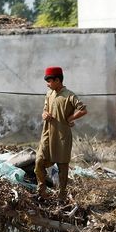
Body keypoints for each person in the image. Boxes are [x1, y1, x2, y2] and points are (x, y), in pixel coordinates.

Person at [34, 66, 87, 201]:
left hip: (62, 136)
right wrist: (44, 114)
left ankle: (62, 195)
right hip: (47, 134)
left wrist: (71, 118)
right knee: (39, 161)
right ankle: (41, 190)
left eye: (49, 81)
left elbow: (83, 109)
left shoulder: (69, 95)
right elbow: (44, 109)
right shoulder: (49, 94)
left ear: (58, 80)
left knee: (63, 167)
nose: (47, 83)